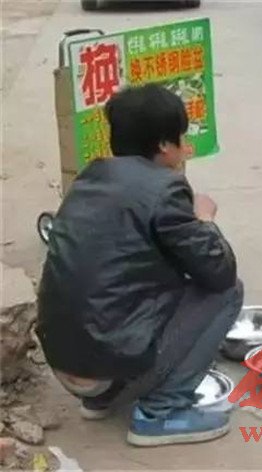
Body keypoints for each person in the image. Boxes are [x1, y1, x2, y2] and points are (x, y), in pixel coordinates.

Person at [36, 84, 243, 447]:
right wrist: (204, 219)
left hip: (63, 364)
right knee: (227, 292)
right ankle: (159, 412)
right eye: (181, 137)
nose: (185, 145)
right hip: (108, 368)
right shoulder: (166, 190)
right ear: (164, 145)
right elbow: (219, 270)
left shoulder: (90, 177)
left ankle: (100, 401)